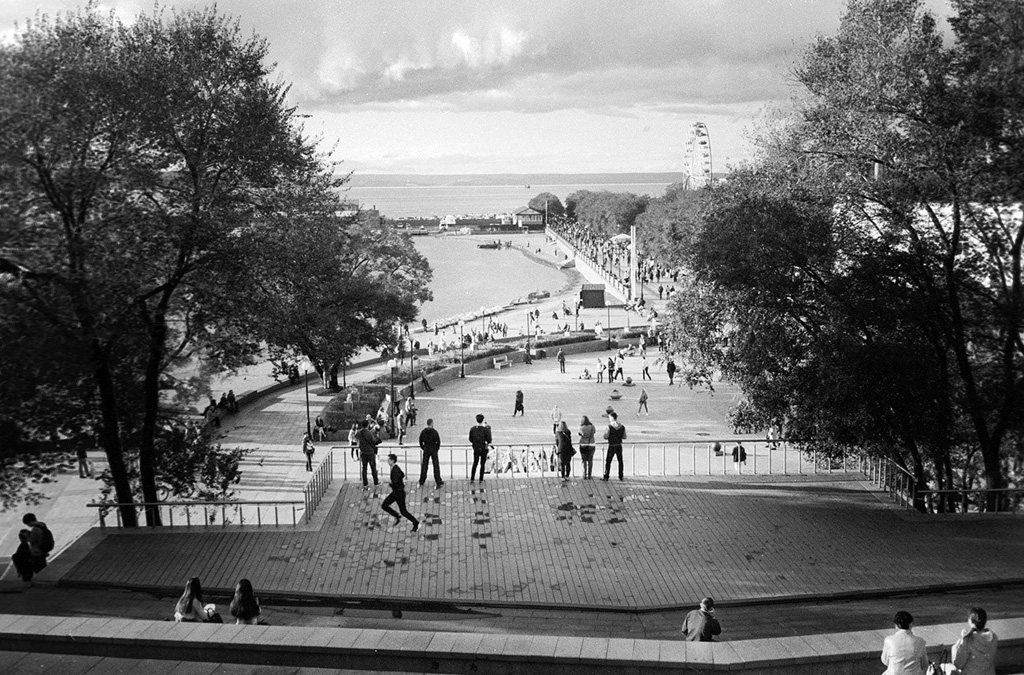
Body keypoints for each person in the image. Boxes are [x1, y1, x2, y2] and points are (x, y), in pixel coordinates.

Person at [947, 607, 998, 675]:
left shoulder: (968, 640)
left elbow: (958, 664)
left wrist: (960, 641)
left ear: (971, 622)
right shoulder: (994, 637)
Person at [880, 610, 927, 675]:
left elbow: (885, 661)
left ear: (896, 625)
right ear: (911, 624)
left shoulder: (888, 640)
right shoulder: (920, 641)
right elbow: (924, 663)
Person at [382, 454, 420, 532]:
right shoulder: (396, 468)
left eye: (389, 460)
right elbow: (402, 474)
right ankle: (406, 519)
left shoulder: (395, 470)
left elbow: (395, 481)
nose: (387, 461)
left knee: (387, 506)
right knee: (401, 511)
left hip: (398, 493)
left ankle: (403, 518)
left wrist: (389, 482)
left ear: (392, 461)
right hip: (398, 492)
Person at [417, 418, 444, 489]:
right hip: (433, 449)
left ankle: (421, 481)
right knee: (436, 466)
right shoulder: (434, 432)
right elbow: (438, 441)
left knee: (424, 466)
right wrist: (436, 448)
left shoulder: (423, 432)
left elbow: (420, 441)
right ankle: (438, 481)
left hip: (426, 449)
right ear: (432, 423)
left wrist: (423, 447)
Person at [357, 419, 381, 488]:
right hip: (370, 452)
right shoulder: (369, 433)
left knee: (364, 468)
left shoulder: (359, 432)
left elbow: (356, 437)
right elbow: (373, 441)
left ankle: (365, 483)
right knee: (373, 467)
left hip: (363, 452)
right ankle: (376, 482)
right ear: (367, 425)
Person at [602, 412, 626, 481]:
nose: (609, 419)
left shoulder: (609, 427)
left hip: (612, 446)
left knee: (608, 461)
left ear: (612, 418)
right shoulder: (622, 427)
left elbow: (605, 436)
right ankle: (621, 476)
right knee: (620, 461)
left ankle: (606, 476)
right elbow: (624, 437)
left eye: (609, 417)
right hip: (619, 445)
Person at [468, 414, 492, 482]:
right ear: (483, 420)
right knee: (482, 464)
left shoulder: (473, 429)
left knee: (475, 463)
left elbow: (470, 439)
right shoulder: (486, 430)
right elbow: (489, 440)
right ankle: (481, 478)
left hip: (476, 448)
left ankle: (472, 478)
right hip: (483, 448)